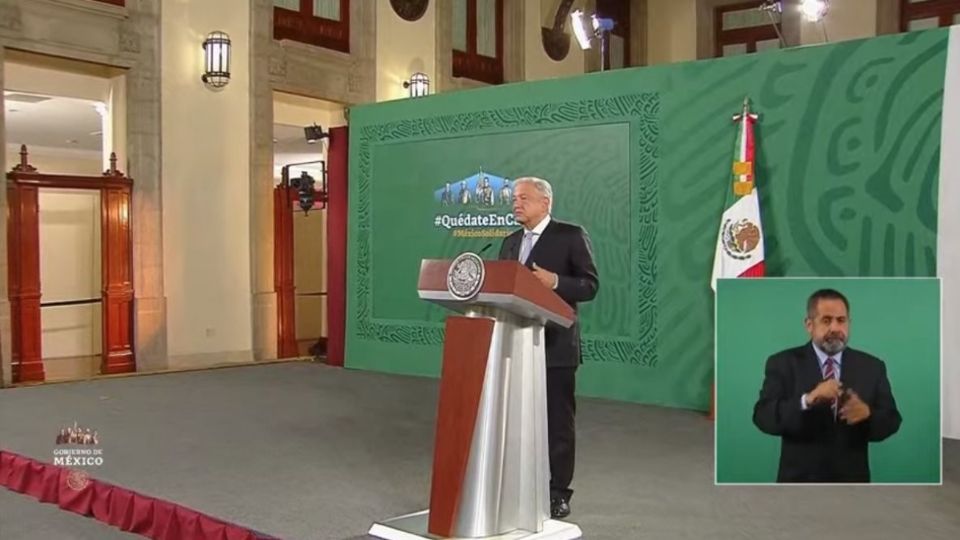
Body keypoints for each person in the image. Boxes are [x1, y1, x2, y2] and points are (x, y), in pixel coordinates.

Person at [498, 176, 599, 518]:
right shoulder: (509, 243)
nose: (516, 203)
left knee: (558, 424)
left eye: (524, 198)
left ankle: (558, 492)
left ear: (546, 203)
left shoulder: (570, 236)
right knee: (515, 420)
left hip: (555, 348)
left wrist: (555, 282)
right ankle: (517, 485)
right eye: (514, 198)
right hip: (515, 345)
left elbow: (589, 285)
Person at [752, 288, 902, 483]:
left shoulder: (872, 367)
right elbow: (763, 417)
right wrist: (807, 400)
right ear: (809, 325)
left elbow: (892, 420)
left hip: (853, 484)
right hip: (798, 483)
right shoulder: (782, 363)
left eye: (841, 320)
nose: (835, 328)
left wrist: (868, 414)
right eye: (826, 320)